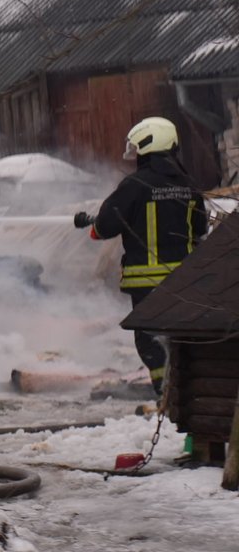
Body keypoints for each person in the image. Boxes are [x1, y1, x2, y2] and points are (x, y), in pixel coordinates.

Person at [74, 116, 207, 395]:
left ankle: (165, 394)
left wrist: (94, 225)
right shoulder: (188, 185)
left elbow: (104, 228)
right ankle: (188, 394)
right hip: (184, 284)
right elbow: (200, 229)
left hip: (146, 284)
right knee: (183, 338)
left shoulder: (134, 185)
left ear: (148, 145)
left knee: (150, 341)